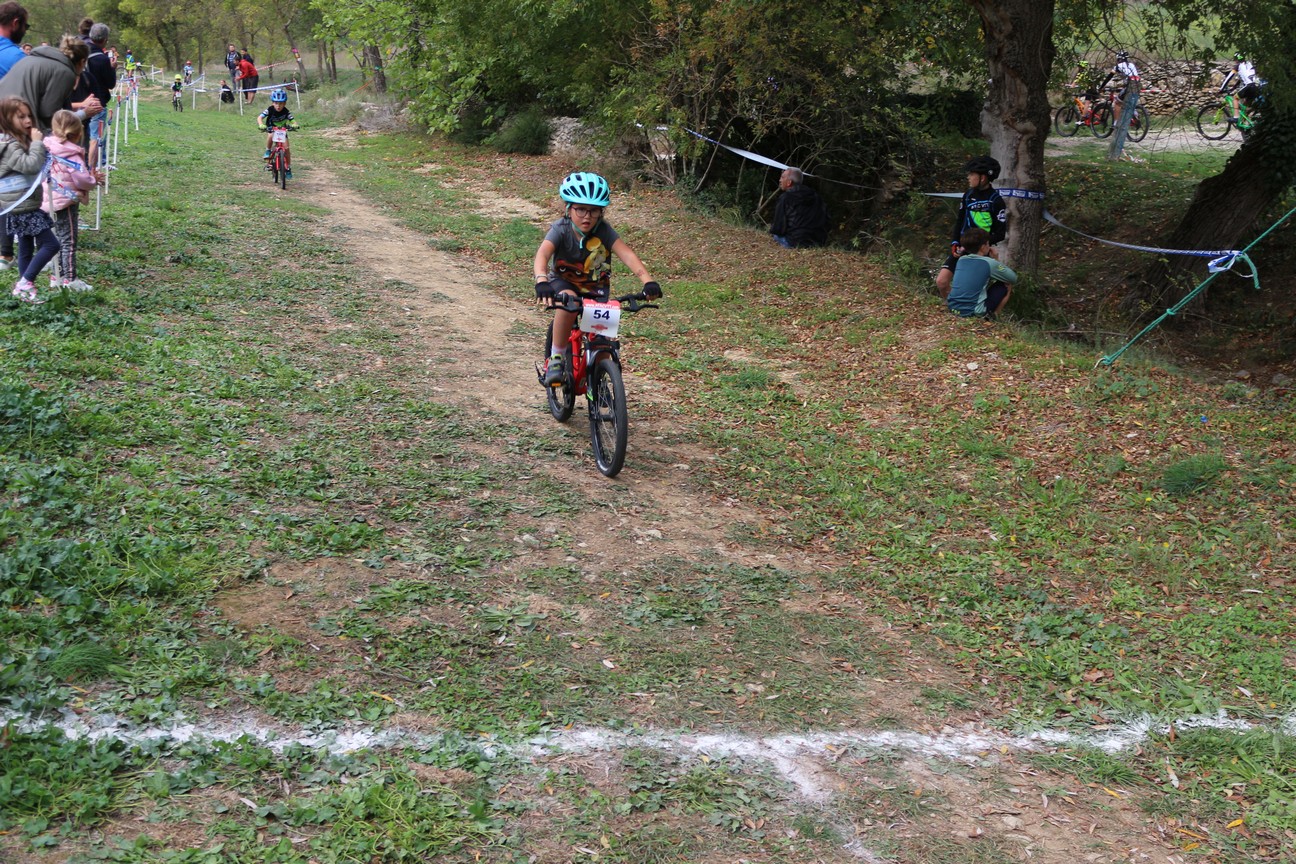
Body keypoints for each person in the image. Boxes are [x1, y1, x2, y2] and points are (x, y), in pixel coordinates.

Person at [533, 171, 662, 387]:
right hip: (564, 282)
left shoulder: (604, 231)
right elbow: (543, 254)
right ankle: (556, 358)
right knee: (568, 305)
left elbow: (627, 255)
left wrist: (648, 281)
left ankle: (601, 382)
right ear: (568, 209)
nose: (587, 216)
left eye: (594, 211)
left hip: (596, 288)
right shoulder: (560, 229)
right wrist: (541, 280)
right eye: (580, 209)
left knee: (602, 344)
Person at [0, 96, 58, 303]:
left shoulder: (16, 143)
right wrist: (37, 144)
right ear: (6, 119)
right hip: (22, 206)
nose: (27, 121)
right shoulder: (10, 146)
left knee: (26, 248)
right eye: (21, 117)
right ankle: (26, 282)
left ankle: (23, 288)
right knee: (51, 245)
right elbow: (30, 166)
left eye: (29, 116)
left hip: (22, 205)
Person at [43, 109, 99, 292]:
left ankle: (56, 276)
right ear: (78, 133)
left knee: (56, 239)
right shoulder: (72, 154)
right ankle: (70, 279)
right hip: (66, 202)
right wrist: (93, 179)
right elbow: (83, 180)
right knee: (69, 241)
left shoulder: (47, 146)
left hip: (49, 201)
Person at [935, 155, 1006, 300]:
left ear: (983, 178)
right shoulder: (967, 196)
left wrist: (982, 245)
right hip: (963, 247)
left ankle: (967, 311)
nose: (968, 177)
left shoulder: (996, 200)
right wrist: (955, 242)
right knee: (941, 282)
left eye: (972, 174)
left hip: (981, 251)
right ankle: (952, 307)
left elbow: (1000, 234)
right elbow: (960, 221)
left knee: (970, 291)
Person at [0, 34, 100, 133]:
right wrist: (83, 114)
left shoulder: (34, 59)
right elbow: (49, 115)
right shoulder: (65, 72)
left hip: (5, 116)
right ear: (82, 61)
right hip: (16, 123)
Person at [0, 2, 30, 271]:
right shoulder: (17, 58)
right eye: (25, 26)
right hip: (7, 134)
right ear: (16, 23)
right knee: (11, 188)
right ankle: (7, 252)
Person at [945, 227, 1016, 319]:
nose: (989, 246)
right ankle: (994, 317)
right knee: (1007, 284)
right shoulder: (989, 262)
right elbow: (1013, 278)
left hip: (953, 307)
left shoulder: (961, 260)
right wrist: (996, 258)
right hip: (972, 312)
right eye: (988, 243)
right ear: (983, 247)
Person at [769, 166, 828, 248]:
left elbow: (778, 228)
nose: (780, 180)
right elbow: (827, 221)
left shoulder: (785, 198)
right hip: (818, 242)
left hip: (794, 242)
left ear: (789, 182)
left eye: (782, 177)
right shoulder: (816, 196)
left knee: (775, 236)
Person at [82, 22, 114, 167]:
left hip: (79, 101)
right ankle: (93, 168)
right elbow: (110, 84)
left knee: (83, 135)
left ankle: (85, 164)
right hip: (97, 102)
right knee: (96, 137)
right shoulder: (102, 59)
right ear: (105, 39)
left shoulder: (80, 53)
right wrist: (112, 68)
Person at [257, 88, 295, 178]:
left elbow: (292, 120)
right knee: (270, 135)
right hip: (272, 129)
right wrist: (261, 124)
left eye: (281, 103)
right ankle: (268, 150)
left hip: (282, 131)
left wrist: (295, 124)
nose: (278, 106)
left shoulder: (286, 111)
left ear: (284, 103)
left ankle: (288, 168)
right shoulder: (269, 110)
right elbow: (260, 117)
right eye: (276, 103)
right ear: (272, 103)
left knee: (287, 148)